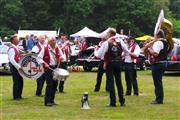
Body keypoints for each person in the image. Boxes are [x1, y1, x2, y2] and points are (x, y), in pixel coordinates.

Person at [94, 28, 127, 107]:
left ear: (110, 34)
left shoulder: (106, 43)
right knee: (119, 82)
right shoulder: (120, 41)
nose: (106, 35)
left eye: (107, 33)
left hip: (110, 63)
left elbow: (99, 55)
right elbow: (126, 51)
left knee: (111, 82)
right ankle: (122, 100)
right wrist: (121, 56)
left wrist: (95, 50)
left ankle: (113, 102)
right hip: (118, 63)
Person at [37, 36, 63, 106]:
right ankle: (47, 101)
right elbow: (38, 58)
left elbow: (62, 56)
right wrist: (44, 63)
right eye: (53, 40)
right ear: (49, 42)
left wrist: (60, 58)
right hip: (48, 69)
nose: (55, 42)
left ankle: (52, 100)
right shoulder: (45, 49)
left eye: (55, 40)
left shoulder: (57, 48)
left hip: (55, 68)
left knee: (55, 85)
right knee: (49, 85)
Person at [148, 30, 168, 104]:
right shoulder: (165, 42)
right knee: (159, 82)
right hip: (163, 63)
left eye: (155, 34)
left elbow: (155, 53)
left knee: (157, 82)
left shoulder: (158, 42)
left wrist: (149, 49)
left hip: (158, 64)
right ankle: (159, 98)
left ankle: (159, 99)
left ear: (158, 35)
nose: (154, 36)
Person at [8, 35, 24, 100]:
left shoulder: (16, 47)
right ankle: (16, 96)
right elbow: (12, 60)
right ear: (13, 40)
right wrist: (19, 67)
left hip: (17, 66)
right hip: (15, 67)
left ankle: (19, 95)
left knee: (20, 81)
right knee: (16, 81)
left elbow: (18, 56)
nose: (18, 40)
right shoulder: (11, 48)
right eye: (16, 39)